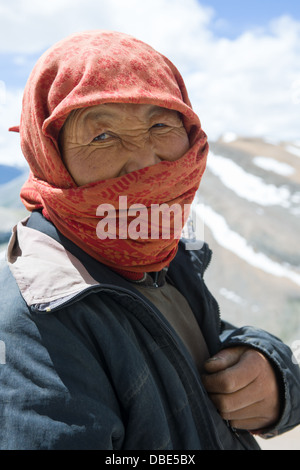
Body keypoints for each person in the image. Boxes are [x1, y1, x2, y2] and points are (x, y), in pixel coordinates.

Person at [0, 30, 299, 451]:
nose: (143, 162)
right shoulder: (36, 320)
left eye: (160, 125)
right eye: (102, 135)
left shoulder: (156, 253)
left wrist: (272, 373)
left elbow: (189, 341)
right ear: (51, 157)